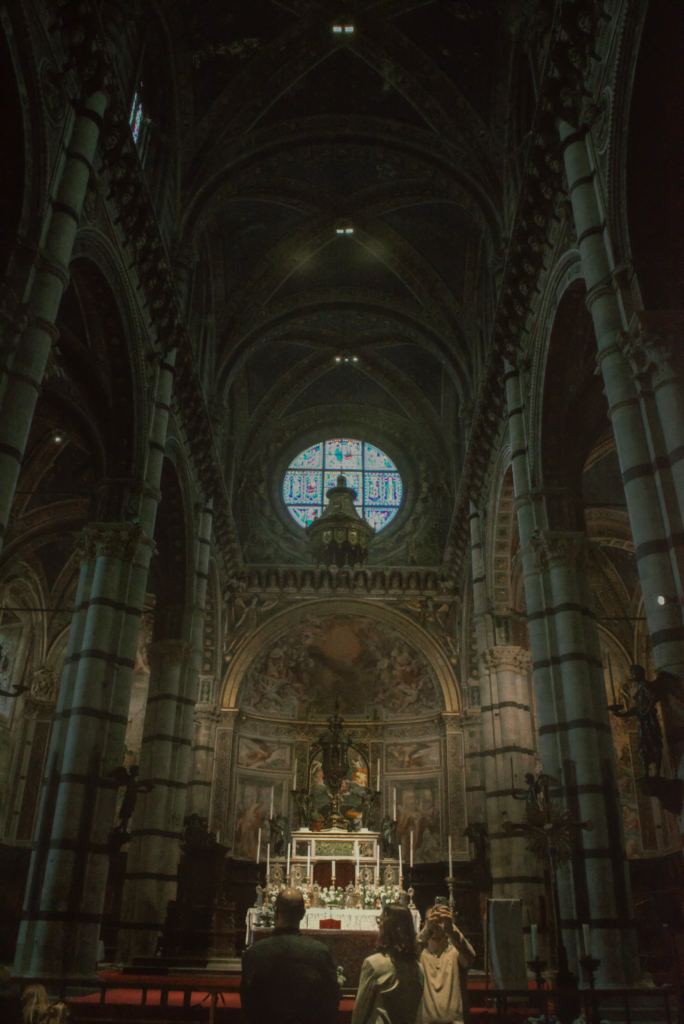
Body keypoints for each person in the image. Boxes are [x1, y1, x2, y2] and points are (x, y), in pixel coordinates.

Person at [240, 887, 339, 1024]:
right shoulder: (319, 952)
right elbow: (331, 1003)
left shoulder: (254, 952)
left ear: (275, 913)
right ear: (303, 914)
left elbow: (247, 1003)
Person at [351, 904, 424, 1024]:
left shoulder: (373, 964)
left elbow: (360, 1012)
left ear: (389, 928)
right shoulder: (419, 969)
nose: (378, 925)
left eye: (380, 921)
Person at [417, 905, 475, 1024]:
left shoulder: (455, 953)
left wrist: (452, 930)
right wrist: (427, 931)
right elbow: (408, 954)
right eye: (432, 921)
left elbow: (470, 955)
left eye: (440, 921)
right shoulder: (420, 955)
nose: (436, 926)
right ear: (424, 924)